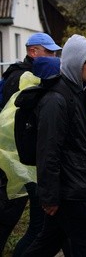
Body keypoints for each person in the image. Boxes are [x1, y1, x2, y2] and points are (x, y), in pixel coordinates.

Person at [23, 34, 86, 256]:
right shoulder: (56, 100)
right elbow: (48, 152)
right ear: (74, 63)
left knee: (48, 243)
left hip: (74, 185)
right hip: (69, 191)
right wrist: (49, 197)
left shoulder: (80, 94)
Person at [0, 33, 61, 255]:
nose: (54, 56)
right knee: (28, 223)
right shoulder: (22, 77)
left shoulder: (24, 74)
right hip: (17, 162)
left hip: (23, 161)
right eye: (49, 52)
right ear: (33, 52)